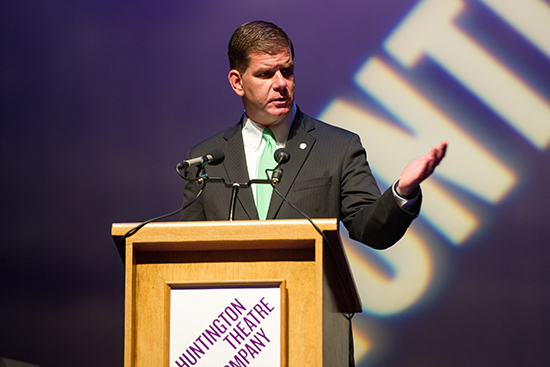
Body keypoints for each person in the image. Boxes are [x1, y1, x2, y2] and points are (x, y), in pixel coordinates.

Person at [180, 20, 447, 250]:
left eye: (287, 71)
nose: (281, 84)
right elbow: (187, 248)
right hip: (232, 308)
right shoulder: (206, 159)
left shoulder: (338, 147)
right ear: (238, 82)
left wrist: (402, 191)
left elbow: (371, 230)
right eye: (265, 74)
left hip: (309, 304)